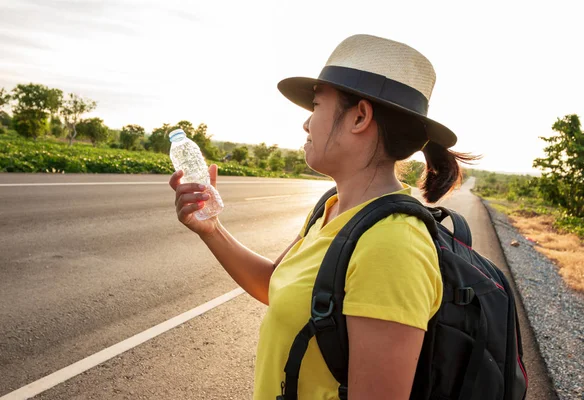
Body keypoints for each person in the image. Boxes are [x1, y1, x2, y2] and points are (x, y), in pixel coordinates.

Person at [170, 34, 479, 399]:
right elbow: (275, 286)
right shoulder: (333, 207)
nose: (306, 124)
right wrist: (211, 230)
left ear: (360, 117)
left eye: (316, 105)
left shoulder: (392, 245)